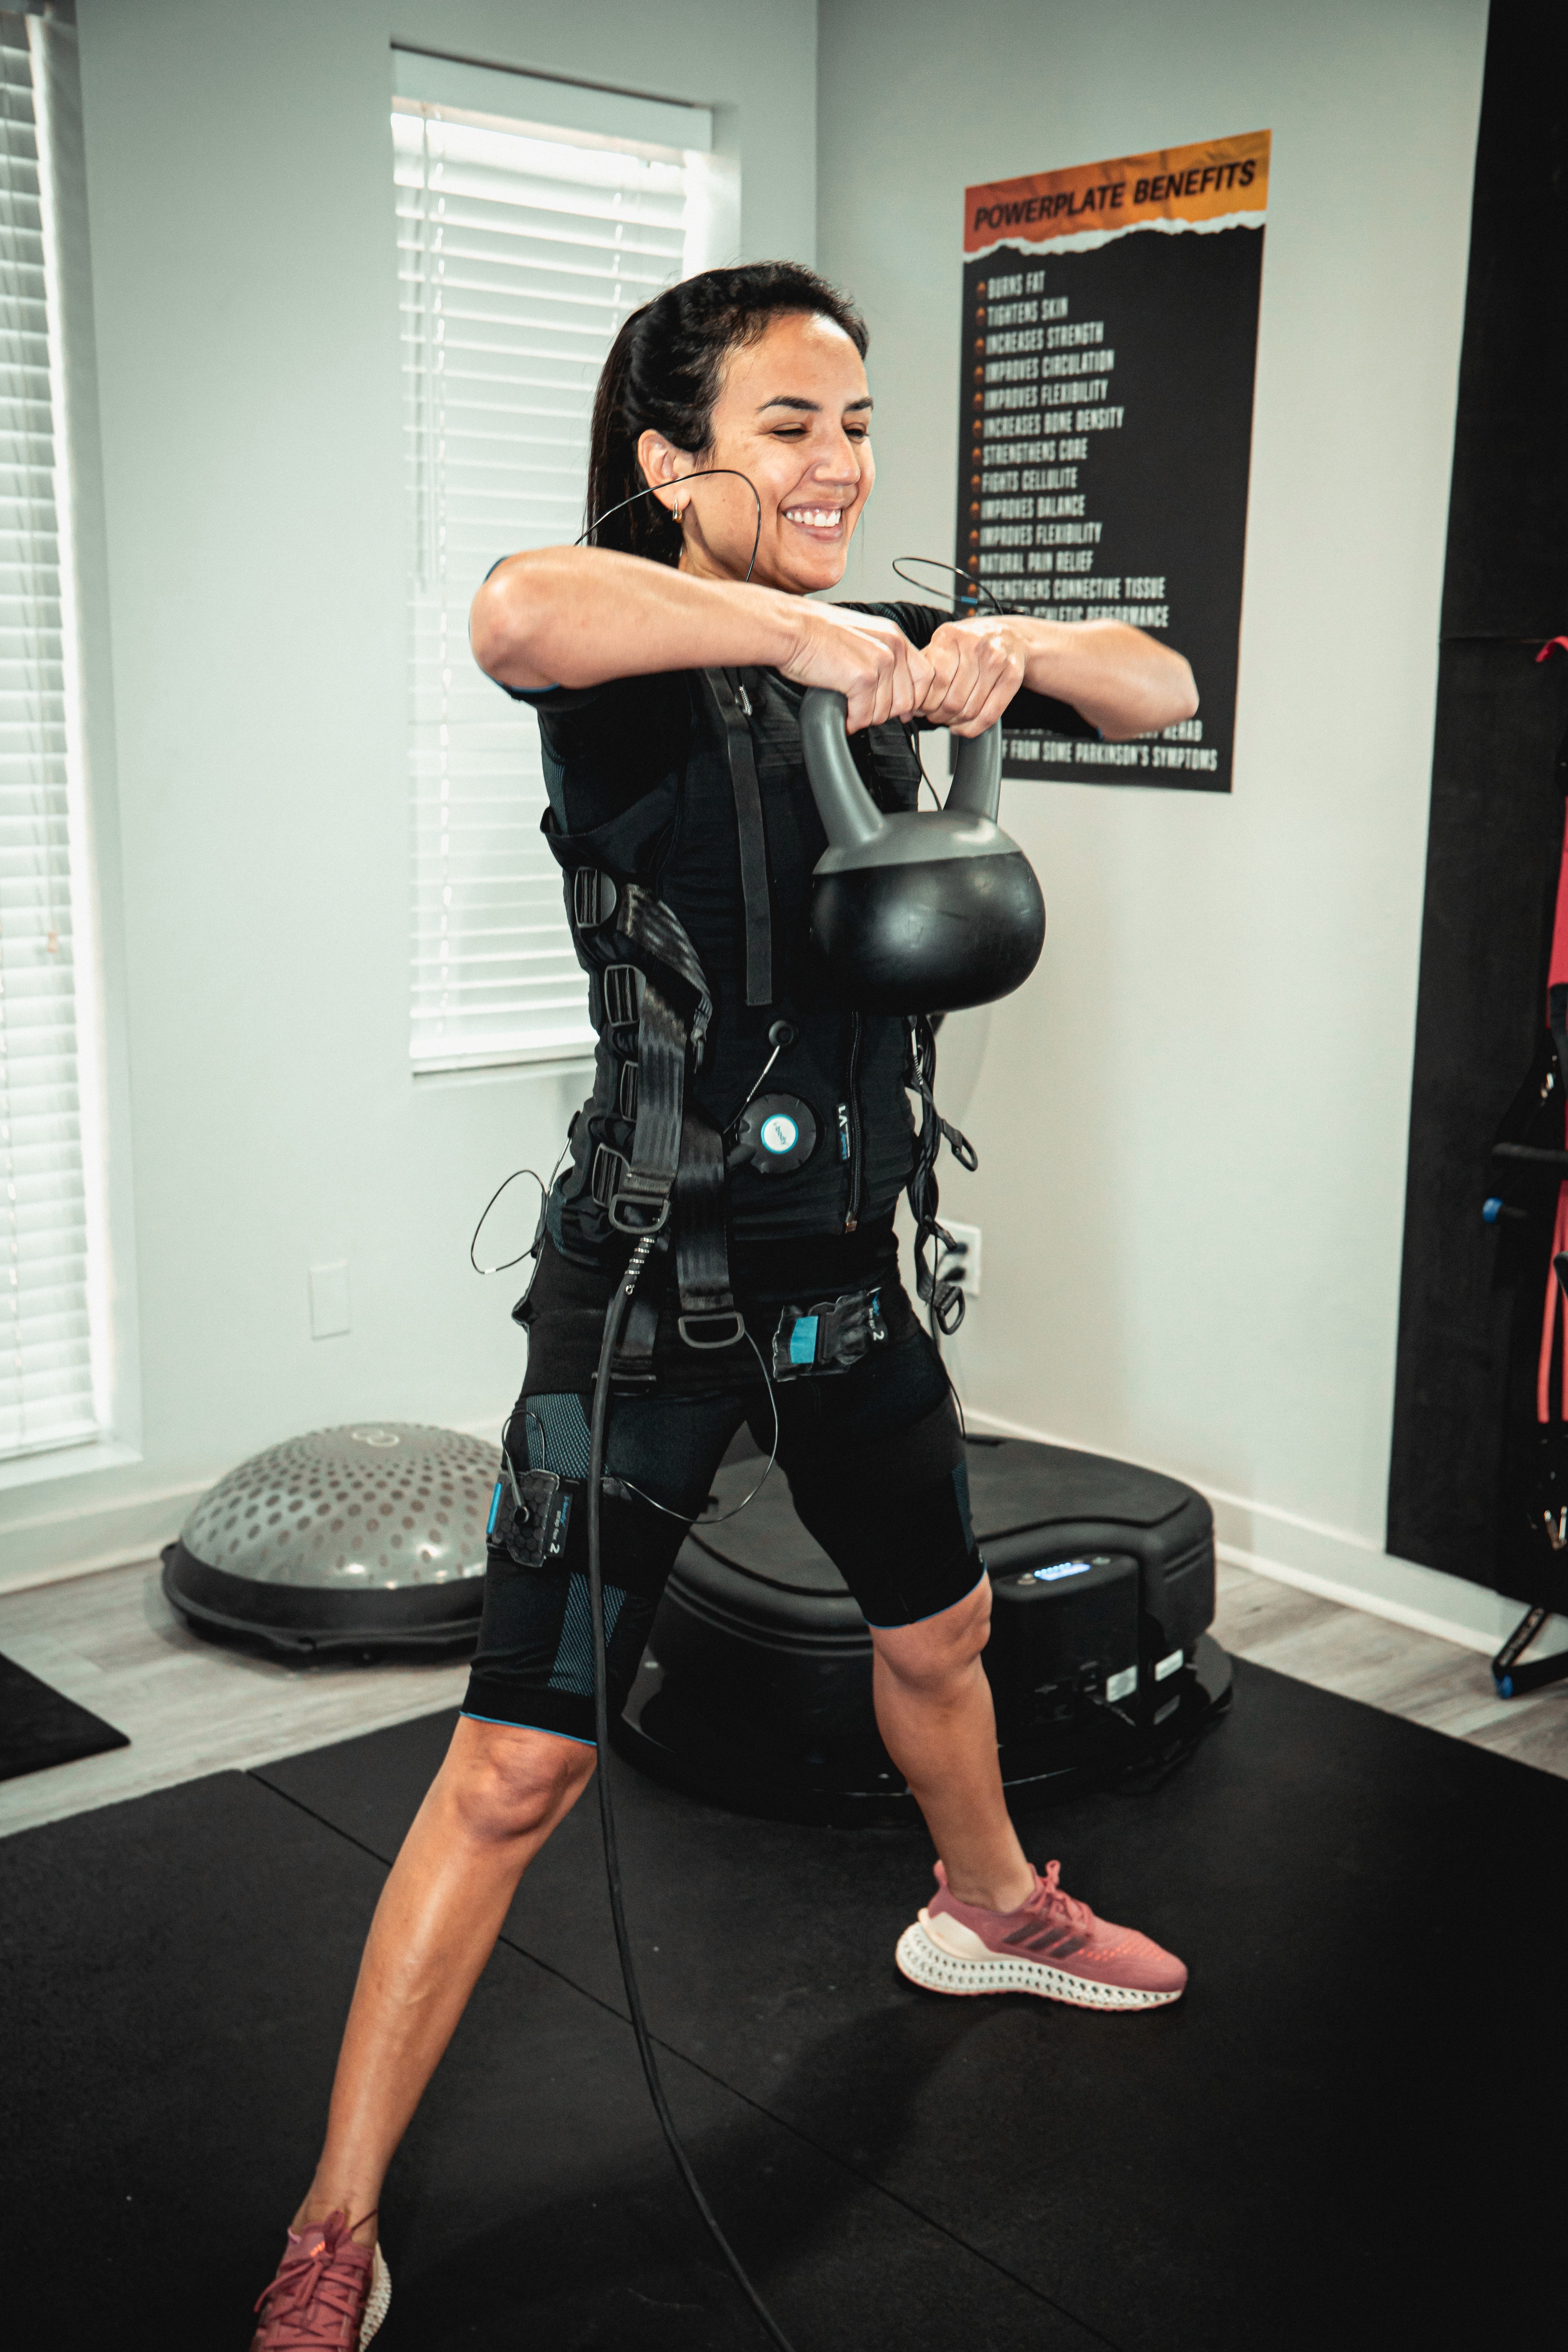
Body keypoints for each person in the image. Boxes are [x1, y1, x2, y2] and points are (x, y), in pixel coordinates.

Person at [250, 261, 1199, 2350]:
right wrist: (796, 633)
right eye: (788, 426)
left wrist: (996, 649)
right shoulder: (626, 624)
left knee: (936, 1635)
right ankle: (336, 2218)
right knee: (514, 1771)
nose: (840, 463)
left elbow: (1159, 689)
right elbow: (515, 610)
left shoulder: (898, 621)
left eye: (855, 420)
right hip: (646, 1298)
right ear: (673, 460)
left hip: (842, 1278)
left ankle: (988, 1907)